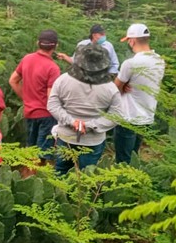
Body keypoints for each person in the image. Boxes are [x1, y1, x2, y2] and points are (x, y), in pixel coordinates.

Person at [48, 44, 123, 174]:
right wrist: (89, 125)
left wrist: (72, 122)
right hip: (93, 141)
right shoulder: (110, 88)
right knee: (87, 177)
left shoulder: (63, 80)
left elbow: (52, 105)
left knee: (61, 173)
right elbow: (116, 116)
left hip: (66, 137)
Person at [113, 24, 165, 164]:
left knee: (123, 160)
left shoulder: (131, 63)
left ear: (132, 41)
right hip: (147, 116)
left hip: (128, 116)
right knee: (134, 157)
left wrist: (124, 86)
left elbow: (115, 89)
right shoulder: (159, 60)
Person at [9, 30, 61, 162]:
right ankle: (37, 174)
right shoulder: (53, 68)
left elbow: (13, 80)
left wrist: (26, 98)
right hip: (46, 115)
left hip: (29, 112)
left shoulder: (27, 59)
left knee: (30, 152)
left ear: (38, 43)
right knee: (42, 156)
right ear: (56, 46)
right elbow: (51, 97)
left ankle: (26, 173)